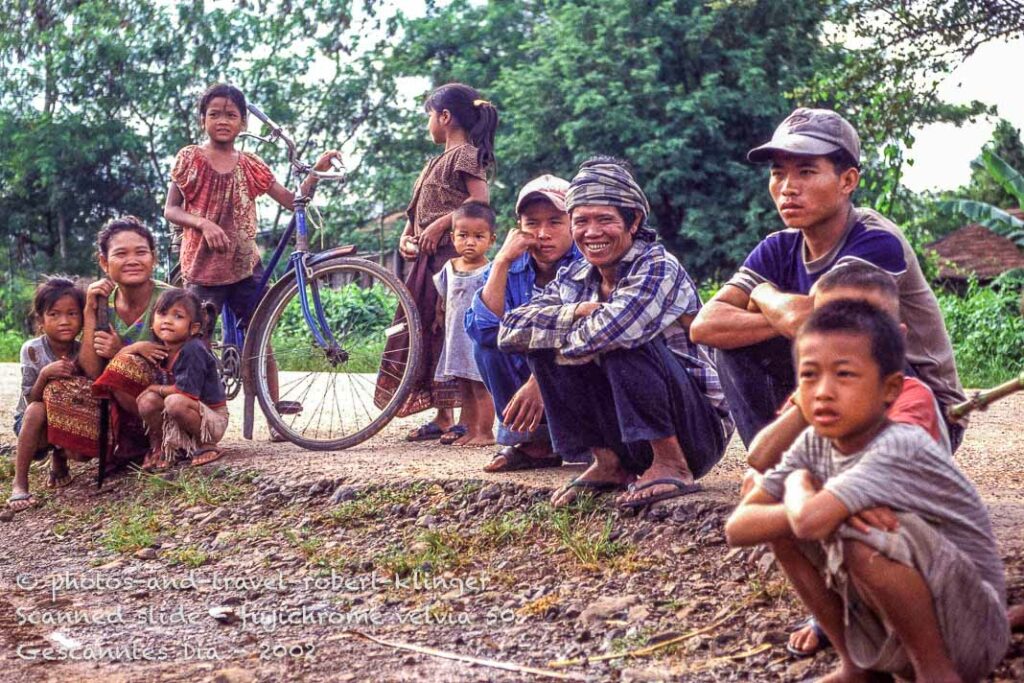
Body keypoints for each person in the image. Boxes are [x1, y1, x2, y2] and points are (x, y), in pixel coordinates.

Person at [725, 300, 1009, 683]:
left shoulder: (898, 444)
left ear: (889, 389)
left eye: (844, 375)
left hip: (971, 632)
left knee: (861, 536)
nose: (823, 392)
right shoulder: (814, 442)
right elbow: (738, 528)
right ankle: (857, 668)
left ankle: (936, 673)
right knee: (791, 525)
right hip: (901, 626)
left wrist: (798, 488)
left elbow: (809, 520)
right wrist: (799, 488)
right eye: (809, 375)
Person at [690, 107, 966, 451]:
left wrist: (762, 293)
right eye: (779, 174)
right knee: (734, 346)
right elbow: (705, 325)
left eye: (806, 172)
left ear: (848, 181)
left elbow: (824, 324)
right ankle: (780, 472)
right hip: (841, 399)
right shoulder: (779, 246)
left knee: (849, 341)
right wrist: (790, 319)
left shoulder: (875, 239)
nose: (788, 188)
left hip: (925, 412)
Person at [742, 262, 951, 657]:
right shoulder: (815, 397)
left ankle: (924, 640)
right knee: (760, 490)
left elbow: (886, 481)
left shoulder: (910, 396)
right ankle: (845, 641)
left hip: (913, 550)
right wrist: (804, 408)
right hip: (854, 525)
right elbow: (759, 457)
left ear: (897, 340)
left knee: (850, 511)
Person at [498, 158, 732, 508]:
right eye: (582, 221)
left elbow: (616, 331)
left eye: (605, 219)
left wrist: (564, 339)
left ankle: (670, 463)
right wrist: (574, 313)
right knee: (549, 341)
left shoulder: (657, 267)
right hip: (625, 434)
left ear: (633, 221)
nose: (592, 232)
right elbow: (510, 330)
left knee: (622, 341)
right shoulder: (576, 277)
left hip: (694, 433)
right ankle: (608, 463)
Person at [163, 82, 340, 432]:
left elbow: (293, 201)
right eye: (214, 114)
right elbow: (171, 209)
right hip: (202, 267)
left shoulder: (251, 165)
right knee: (194, 344)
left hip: (245, 266)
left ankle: (274, 417)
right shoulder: (190, 159)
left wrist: (317, 172)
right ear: (203, 120)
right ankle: (193, 421)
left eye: (231, 115)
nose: (223, 121)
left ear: (243, 123)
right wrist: (203, 224)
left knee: (262, 336)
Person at [375, 82, 498, 443]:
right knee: (427, 331)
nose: (428, 122)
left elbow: (479, 202)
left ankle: (465, 418)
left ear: (444, 117)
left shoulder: (465, 155)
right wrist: (408, 235)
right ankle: (443, 416)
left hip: (453, 259)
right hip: (427, 260)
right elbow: (418, 212)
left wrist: (443, 226)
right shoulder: (436, 161)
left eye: (430, 115)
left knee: (451, 330)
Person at [464, 174, 584, 471]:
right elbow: (484, 330)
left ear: (572, 223)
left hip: (580, 378)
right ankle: (532, 443)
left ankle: (592, 443)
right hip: (531, 377)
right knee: (488, 348)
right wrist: (502, 262)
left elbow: (586, 334)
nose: (543, 233)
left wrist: (540, 380)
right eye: (532, 223)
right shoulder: (508, 265)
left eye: (555, 222)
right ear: (519, 228)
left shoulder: (588, 262)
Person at [45, 217, 171, 466]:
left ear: (153, 258)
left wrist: (121, 351)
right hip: (120, 405)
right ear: (104, 262)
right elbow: (92, 371)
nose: (132, 260)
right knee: (57, 391)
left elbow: (184, 361)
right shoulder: (103, 302)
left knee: (123, 365)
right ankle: (125, 446)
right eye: (121, 254)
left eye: (141, 252)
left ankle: (164, 442)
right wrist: (89, 312)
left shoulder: (169, 299)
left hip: (165, 402)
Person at [7, 278, 85, 512]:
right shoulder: (32, 349)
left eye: (72, 313)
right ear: (41, 321)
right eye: (54, 314)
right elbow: (31, 399)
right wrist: (44, 376)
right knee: (37, 409)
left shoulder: (83, 351)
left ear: (82, 318)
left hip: (68, 420)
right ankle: (20, 482)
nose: (64, 321)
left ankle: (60, 459)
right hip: (33, 425)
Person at [137, 289, 228, 471]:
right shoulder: (159, 351)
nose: (167, 321)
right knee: (146, 401)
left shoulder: (193, 350)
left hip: (211, 419)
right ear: (152, 321)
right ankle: (170, 447)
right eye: (162, 314)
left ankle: (206, 445)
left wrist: (155, 388)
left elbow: (183, 392)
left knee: (174, 401)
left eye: (178, 316)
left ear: (193, 328)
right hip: (183, 417)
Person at [432, 201, 497, 446]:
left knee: (481, 386)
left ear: (491, 239)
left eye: (478, 236)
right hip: (455, 339)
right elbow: (443, 298)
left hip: (477, 339)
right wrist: (439, 317)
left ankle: (486, 432)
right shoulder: (450, 267)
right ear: (452, 237)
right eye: (463, 236)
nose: (470, 242)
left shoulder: (491, 271)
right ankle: (469, 429)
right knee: (465, 385)